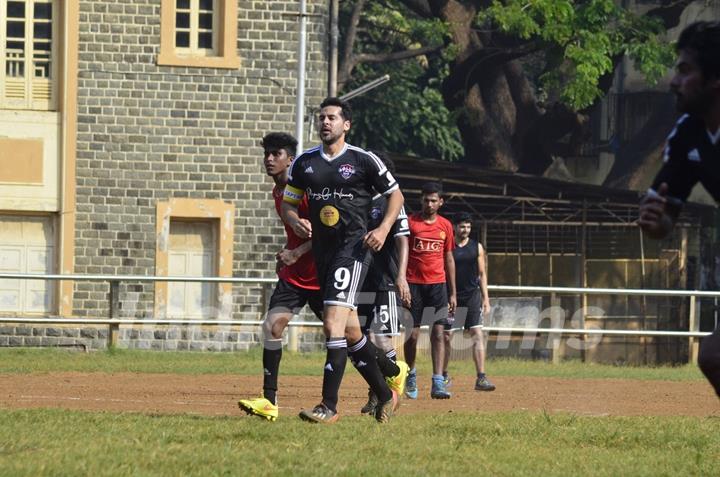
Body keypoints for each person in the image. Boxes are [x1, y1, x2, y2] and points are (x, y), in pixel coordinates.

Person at [281, 97, 405, 423]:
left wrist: (383, 227)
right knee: (350, 333)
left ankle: (329, 406)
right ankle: (385, 391)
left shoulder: (363, 160)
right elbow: (289, 203)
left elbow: (396, 196)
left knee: (331, 324)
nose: (325, 122)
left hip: (353, 251)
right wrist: (294, 220)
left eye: (332, 118)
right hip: (324, 253)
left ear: (345, 125)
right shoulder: (304, 163)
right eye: (322, 117)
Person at [638, 21, 720, 399]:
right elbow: (664, 210)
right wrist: (659, 222)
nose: (673, 81)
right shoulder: (689, 130)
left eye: (685, 71)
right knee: (714, 357)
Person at [238, 132, 323, 421]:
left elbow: (325, 232)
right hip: (295, 276)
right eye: (267, 154)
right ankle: (269, 401)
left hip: (322, 275)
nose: (269, 159)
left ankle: (389, 374)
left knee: (348, 337)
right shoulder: (278, 192)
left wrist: (296, 253)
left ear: (291, 159)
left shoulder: (305, 189)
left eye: (277, 154)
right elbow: (297, 232)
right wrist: (287, 254)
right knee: (272, 326)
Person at [357, 154, 411, 415]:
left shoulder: (393, 201)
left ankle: (390, 388)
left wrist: (401, 277)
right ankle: (377, 392)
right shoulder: (360, 200)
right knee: (359, 341)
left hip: (385, 281)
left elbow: (402, 240)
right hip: (360, 280)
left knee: (381, 339)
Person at [403, 181, 456, 399]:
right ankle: (411, 373)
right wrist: (402, 281)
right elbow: (402, 251)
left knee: (439, 333)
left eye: (434, 200)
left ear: (441, 202)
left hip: (437, 286)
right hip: (413, 284)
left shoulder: (446, 226)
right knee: (412, 335)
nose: (430, 203)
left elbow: (449, 258)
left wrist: (453, 292)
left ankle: (438, 382)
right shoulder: (410, 222)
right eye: (426, 199)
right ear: (421, 200)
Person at [441, 213, 495, 391]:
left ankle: (481, 377)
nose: (465, 230)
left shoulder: (477, 247)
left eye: (468, 226)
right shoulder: (447, 246)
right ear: (455, 227)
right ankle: (443, 375)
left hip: (472, 296)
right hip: (451, 297)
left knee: (477, 334)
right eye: (462, 226)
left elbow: (482, 274)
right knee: (447, 337)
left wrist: (486, 298)